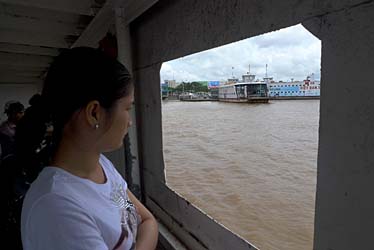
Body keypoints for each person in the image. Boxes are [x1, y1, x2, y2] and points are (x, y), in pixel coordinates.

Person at [18, 47, 158, 250]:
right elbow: (146, 223)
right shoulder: (57, 206)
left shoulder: (101, 166)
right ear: (94, 113)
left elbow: (143, 218)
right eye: (127, 108)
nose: (129, 122)